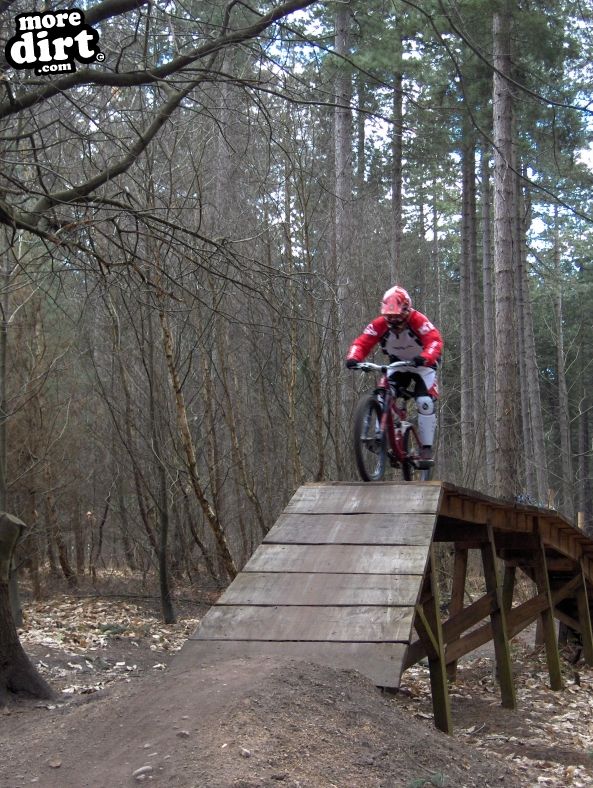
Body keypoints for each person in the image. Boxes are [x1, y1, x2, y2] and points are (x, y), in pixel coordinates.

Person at [345, 285, 443, 465]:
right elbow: (362, 342)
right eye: (390, 317)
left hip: (423, 366)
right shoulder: (379, 324)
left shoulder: (418, 320)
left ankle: (426, 448)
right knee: (382, 395)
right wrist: (353, 358)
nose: (394, 322)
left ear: (406, 311)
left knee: (425, 402)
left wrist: (425, 357)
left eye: (398, 317)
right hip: (398, 365)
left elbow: (434, 341)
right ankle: (379, 435)